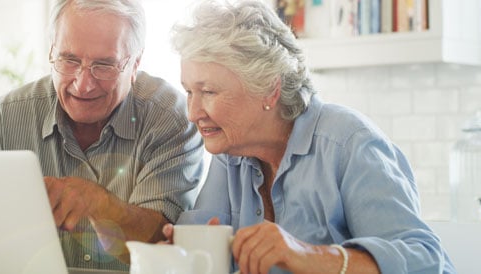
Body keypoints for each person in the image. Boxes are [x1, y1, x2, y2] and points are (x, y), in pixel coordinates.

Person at [0, 0, 204, 271]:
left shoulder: (171, 118)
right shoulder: (5, 118)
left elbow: (161, 242)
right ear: (51, 53)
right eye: (69, 60)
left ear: (135, 64)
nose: (83, 84)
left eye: (104, 65)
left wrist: (101, 206)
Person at [161, 0, 455, 273]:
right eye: (189, 92)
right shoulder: (231, 153)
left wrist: (305, 254)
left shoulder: (349, 143)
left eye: (209, 92)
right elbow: (206, 247)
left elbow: (428, 259)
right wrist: (180, 255)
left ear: (269, 90)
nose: (193, 112)